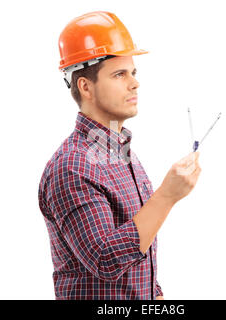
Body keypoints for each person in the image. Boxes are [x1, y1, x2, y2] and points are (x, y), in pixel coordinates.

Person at [38, 11, 201, 300]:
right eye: (119, 74)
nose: (134, 83)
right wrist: (166, 196)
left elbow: (139, 250)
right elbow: (105, 260)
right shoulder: (71, 167)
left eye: (133, 73)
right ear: (85, 86)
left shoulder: (123, 154)